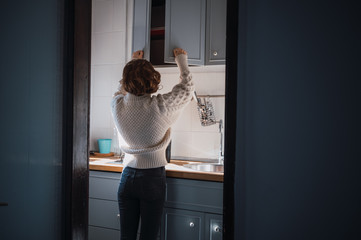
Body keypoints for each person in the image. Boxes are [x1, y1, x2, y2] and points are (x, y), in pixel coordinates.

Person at [111, 48, 194, 240]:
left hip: (126, 178)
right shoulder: (161, 106)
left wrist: (132, 63)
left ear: (125, 80)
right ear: (154, 80)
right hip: (152, 179)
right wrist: (181, 59)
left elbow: (120, 90)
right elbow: (187, 88)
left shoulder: (117, 105)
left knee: (126, 237)